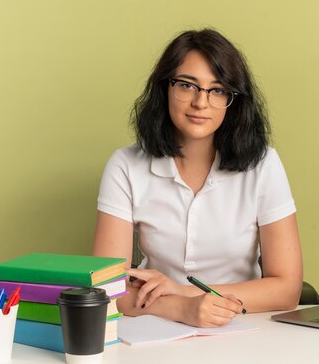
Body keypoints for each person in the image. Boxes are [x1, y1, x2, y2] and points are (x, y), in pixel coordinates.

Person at [92, 29, 302, 328]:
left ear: (234, 100)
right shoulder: (125, 165)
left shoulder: (264, 164)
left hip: (245, 327)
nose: (201, 103)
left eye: (217, 90)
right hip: (154, 322)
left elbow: (287, 289)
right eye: (187, 86)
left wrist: (187, 293)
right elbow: (108, 287)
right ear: (165, 88)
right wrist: (180, 308)